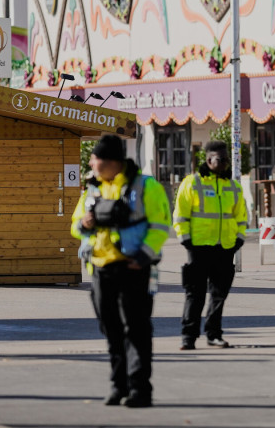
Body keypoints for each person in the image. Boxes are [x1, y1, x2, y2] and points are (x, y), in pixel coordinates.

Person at [71, 135, 170, 409]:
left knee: (136, 329)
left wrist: (143, 256)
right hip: (101, 269)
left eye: (95, 158)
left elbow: (161, 225)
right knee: (111, 328)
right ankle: (118, 386)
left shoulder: (145, 186)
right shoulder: (92, 189)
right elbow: (74, 225)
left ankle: (140, 389)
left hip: (133, 267)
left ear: (111, 161)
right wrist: (85, 222)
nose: (91, 162)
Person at [173, 140, 247, 350]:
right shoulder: (192, 183)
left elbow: (241, 217)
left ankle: (214, 334)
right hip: (198, 248)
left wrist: (239, 240)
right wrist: (186, 241)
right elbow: (180, 215)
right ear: (207, 160)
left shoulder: (234, 187)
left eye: (226, 159)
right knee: (194, 295)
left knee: (219, 296)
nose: (224, 163)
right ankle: (188, 336)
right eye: (219, 159)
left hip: (225, 248)